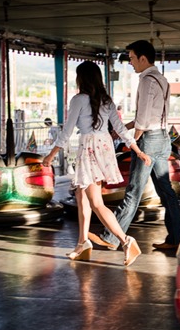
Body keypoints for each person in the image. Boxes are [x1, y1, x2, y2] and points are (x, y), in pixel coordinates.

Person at [42, 61, 150, 267]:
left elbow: (66, 132)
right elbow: (119, 128)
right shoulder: (106, 100)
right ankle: (82, 244)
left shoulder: (78, 100)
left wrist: (50, 156)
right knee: (81, 196)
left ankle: (126, 241)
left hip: (89, 149)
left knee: (96, 203)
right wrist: (137, 150)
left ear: (81, 78)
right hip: (104, 149)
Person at [89, 40, 180, 251]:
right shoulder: (162, 80)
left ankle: (111, 238)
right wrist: (123, 127)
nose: (130, 62)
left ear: (143, 58)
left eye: (132, 58)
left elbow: (142, 119)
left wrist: (132, 140)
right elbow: (150, 116)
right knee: (166, 192)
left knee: (133, 191)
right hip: (163, 138)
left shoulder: (146, 81)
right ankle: (177, 238)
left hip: (148, 140)